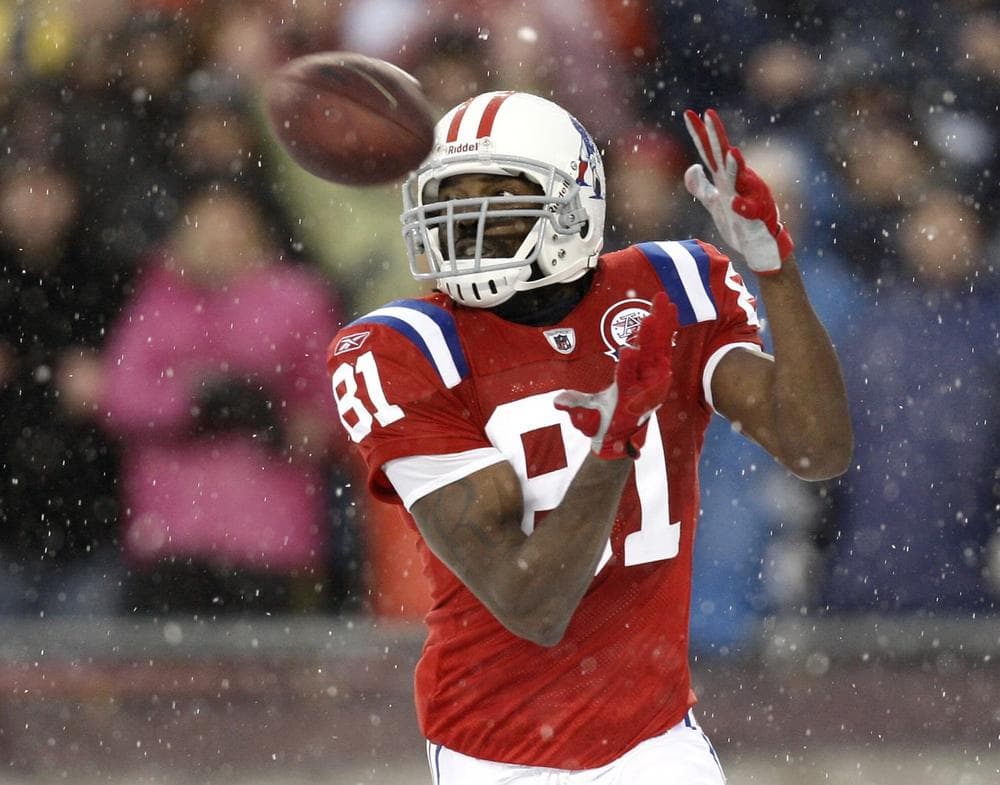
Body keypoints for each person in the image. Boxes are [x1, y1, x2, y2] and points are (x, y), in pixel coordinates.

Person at [325, 92, 852, 783]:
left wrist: (775, 268)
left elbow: (817, 449)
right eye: (450, 200)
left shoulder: (673, 284)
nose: (467, 224)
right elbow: (532, 603)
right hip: (498, 748)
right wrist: (613, 446)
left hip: (654, 733)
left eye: (498, 200)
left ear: (572, 205)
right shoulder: (407, 349)